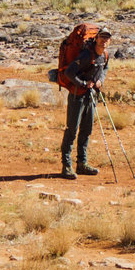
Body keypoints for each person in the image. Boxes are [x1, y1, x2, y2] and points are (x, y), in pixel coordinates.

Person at [56, 23, 109, 179]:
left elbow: (105, 69)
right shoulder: (87, 55)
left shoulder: (105, 54)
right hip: (77, 96)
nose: (104, 41)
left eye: (107, 38)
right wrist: (83, 84)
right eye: (102, 37)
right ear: (96, 38)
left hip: (91, 96)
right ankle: (66, 166)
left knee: (86, 130)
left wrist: (100, 81)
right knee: (72, 130)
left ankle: (82, 164)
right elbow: (69, 72)